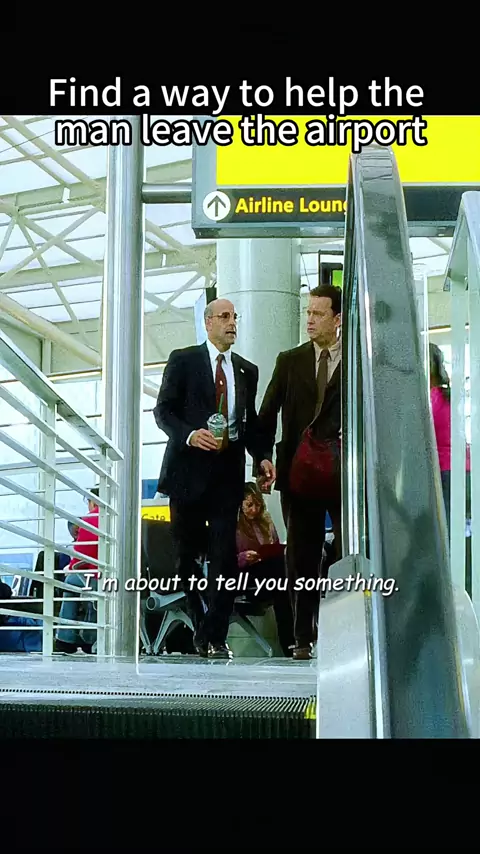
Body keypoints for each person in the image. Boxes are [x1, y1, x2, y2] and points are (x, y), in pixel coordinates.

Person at [154, 298, 275, 660]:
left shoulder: (247, 370)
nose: (231, 322)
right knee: (186, 557)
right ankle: (198, 620)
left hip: (227, 473)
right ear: (208, 323)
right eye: (224, 316)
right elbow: (163, 411)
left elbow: (249, 424)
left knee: (225, 556)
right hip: (187, 472)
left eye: (234, 317)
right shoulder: (183, 360)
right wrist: (190, 434)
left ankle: (215, 635)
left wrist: (263, 456)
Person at [258, 284, 343, 660]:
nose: (310, 320)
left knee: (346, 549)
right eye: (308, 312)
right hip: (299, 472)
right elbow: (266, 413)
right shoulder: (289, 361)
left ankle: (343, 625)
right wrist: (262, 457)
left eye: (318, 314)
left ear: (338, 319)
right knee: (301, 556)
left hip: (344, 472)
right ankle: (302, 637)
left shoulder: (355, 360)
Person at [236, 483, 294, 657]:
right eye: (249, 505)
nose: (254, 510)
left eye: (258, 505)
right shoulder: (234, 526)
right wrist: (243, 557)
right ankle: (290, 642)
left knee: (282, 581)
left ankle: (291, 641)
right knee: (281, 578)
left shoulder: (266, 521)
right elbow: (225, 561)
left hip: (269, 575)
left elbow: (274, 547)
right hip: (244, 576)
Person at [429, 342, 471, 534]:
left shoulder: (430, 399)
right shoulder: (449, 396)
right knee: (462, 531)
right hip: (465, 469)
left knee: (446, 533)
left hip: (445, 472)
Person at [55, 488, 100, 653]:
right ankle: (90, 636)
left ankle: (65, 638)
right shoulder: (119, 519)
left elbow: (81, 556)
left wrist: (70, 567)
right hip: (120, 579)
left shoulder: (92, 519)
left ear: (93, 502)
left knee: (70, 581)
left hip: (97, 576)